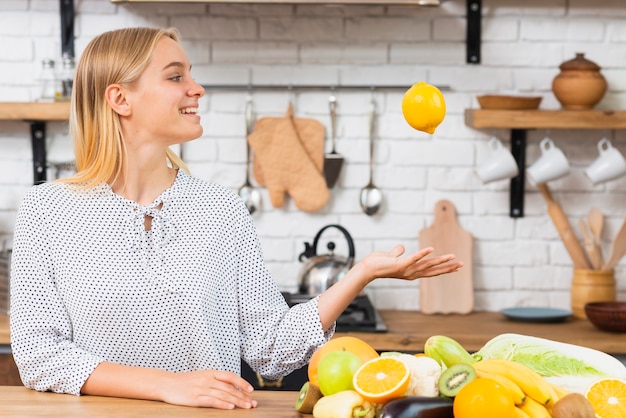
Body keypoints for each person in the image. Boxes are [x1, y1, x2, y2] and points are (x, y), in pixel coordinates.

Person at [9, 27, 463, 410]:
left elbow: (270, 348)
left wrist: (360, 274)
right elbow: (39, 355)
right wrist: (167, 386)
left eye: (192, 75)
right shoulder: (46, 211)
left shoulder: (221, 209)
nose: (197, 88)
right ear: (120, 98)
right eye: (175, 76)